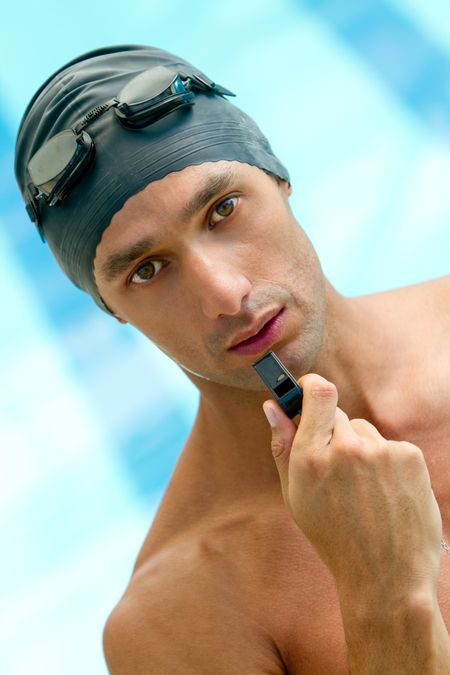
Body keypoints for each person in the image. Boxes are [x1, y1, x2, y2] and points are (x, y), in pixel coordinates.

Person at [15, 45, 450, 673]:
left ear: (277, 176)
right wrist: (383, 597)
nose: (224, 295)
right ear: (113, 310)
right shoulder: (178, 616)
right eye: (148, 270)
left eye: (222, 209)